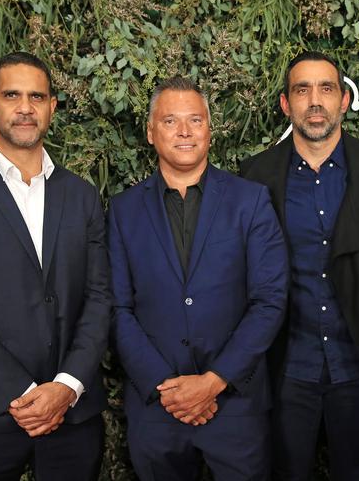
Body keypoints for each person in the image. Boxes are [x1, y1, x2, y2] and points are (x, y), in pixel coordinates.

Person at [241, 51, 359, 481]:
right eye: (302, 90)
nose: (314, 101)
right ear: (286, 104)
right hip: (285, 368)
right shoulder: (255, 176)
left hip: (358, 364)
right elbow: (246, 269)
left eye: (326, 88)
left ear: (344, 100)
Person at [0, 52, 111, 480]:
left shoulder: (82, 196)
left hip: (71, 416)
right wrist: (23, 393)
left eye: (37, 96)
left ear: (52, 106)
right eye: (11, 94)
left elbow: (99, 297)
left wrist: (67, 386)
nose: (25, 107)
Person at [107, 76, 288, 481]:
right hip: (157, 409)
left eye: (195, 120)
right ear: (151, 132)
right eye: (171, 121)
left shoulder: (251, 200)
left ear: (210, 128)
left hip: (235, 405)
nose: (185, 132)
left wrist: (213, 381)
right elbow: (118, 308)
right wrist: (166, 387)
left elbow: (270, 300)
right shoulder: (122, 211)